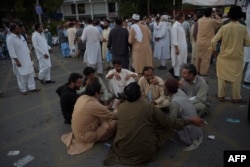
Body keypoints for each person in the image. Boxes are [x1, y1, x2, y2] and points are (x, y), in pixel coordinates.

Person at [103, 82, 204, 166]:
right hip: (145, 153)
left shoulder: (121, 108)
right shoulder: (148, 107)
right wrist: (190, 121)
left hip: (122, 150)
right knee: (166, 127)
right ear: (139, 94)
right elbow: (169, 122)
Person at [61, 80, 117, 155]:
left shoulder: (82, 98)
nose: (101, 94)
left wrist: (106, 107)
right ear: (96, 93)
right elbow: (112, 116)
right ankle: (98, 137)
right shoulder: (93, 104)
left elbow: (98, 109)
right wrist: (117, 109)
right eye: (100, 92)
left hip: (77, 132)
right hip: (84, 137)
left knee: (103, 118)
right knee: (114, 123)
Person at [211, 6, 250, 103]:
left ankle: (221, 96)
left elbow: (213, 41)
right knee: (236, 79)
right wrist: (240, 43)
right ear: (240, 15)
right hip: (237, 57)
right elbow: (248, 42)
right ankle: (236, 97)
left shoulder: (224, 27)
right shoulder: (243, 28)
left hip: (223, 57)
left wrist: (214, 51)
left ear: (229, 15)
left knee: (221, 77)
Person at [165, 78, 203, 151]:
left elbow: (171, 121)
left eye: (165, 87)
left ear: (167, 89)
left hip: (189, 132)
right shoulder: (180, 92)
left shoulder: (175, 103)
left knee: (166, 124)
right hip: (196, 128)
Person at [6, 23, 40, 95]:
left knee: (30, 73)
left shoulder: (21, 36)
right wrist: (16, 61)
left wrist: (30, 54)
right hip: (19, 59)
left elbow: (25, 46)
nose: (20, 29)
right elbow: (11, 51)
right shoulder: (10, 39)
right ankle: (23, 89)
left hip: (27, 57)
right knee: (21, 75)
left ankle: (32, 87)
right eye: (17, 28)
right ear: (13, 30)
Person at [196, 8, 222, 77]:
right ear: (210, 13)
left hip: (199, 42)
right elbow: (220, 21)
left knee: (199, 57)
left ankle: (198, 70)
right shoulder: (211, 21)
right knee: (206, 58)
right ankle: (203, 72)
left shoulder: (199, 20)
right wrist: (215, 14)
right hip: (207, 43)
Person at [170, 12, 188, 79]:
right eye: (183, 16)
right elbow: (174, 38)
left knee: (181, 61)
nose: (184, 17)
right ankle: (176, 75)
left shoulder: (180, 25)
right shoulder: (175, 26)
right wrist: (176, 48)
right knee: (177, 62)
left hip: (183, 46)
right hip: (178, 47)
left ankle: (178, 74)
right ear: (181, 17)